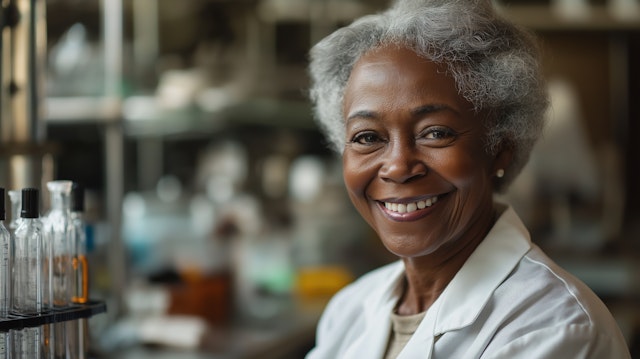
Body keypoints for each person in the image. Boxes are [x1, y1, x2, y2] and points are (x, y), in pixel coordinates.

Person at [305, 0, 632, 358]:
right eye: (368, 137)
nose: (397, 167)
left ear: (500, 149)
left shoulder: (555, 328)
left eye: (435, 132)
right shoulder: (350, 310)